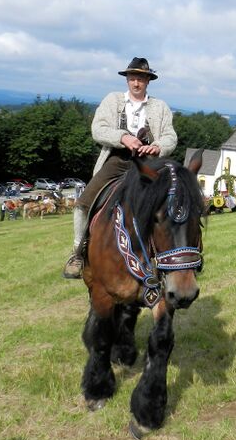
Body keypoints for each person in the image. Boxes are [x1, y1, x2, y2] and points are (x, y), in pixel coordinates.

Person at [63, 57, 177, 279]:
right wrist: (123, 137)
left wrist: (157, 146)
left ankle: (166, 258)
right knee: (83, 204)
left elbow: (170, 136)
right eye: (133, 78)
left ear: (148, 81)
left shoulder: (160, 107)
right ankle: (78, 253)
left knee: (166, 206)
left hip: (147, 162)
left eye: (141, 79)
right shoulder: (112, 100)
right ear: (127, 79)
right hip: (117, 158)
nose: (136, 83)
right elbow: (98, 129)